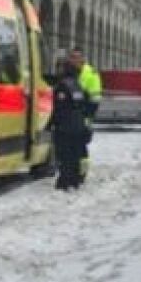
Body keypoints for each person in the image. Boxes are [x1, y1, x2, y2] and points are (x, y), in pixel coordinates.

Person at [47, 58, 88, 190]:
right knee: (75, 153)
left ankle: (64, 181)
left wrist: (50, 124)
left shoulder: (62, 86)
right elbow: (84, 104)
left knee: (64, 153)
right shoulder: (77, 85)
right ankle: (75, 180)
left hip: (65, 126)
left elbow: (59, 108)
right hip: (78, 124)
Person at [69, 47, 102, 180]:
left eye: (77, 57)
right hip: (69, 116)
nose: (75, 60)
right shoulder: (68, 72)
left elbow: (95, 99)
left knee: (81, 147)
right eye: (72, 57)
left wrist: (87, 116)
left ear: (83, 58)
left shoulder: (91, 74)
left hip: (84, 115)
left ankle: (82, 173)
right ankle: (70, 170)